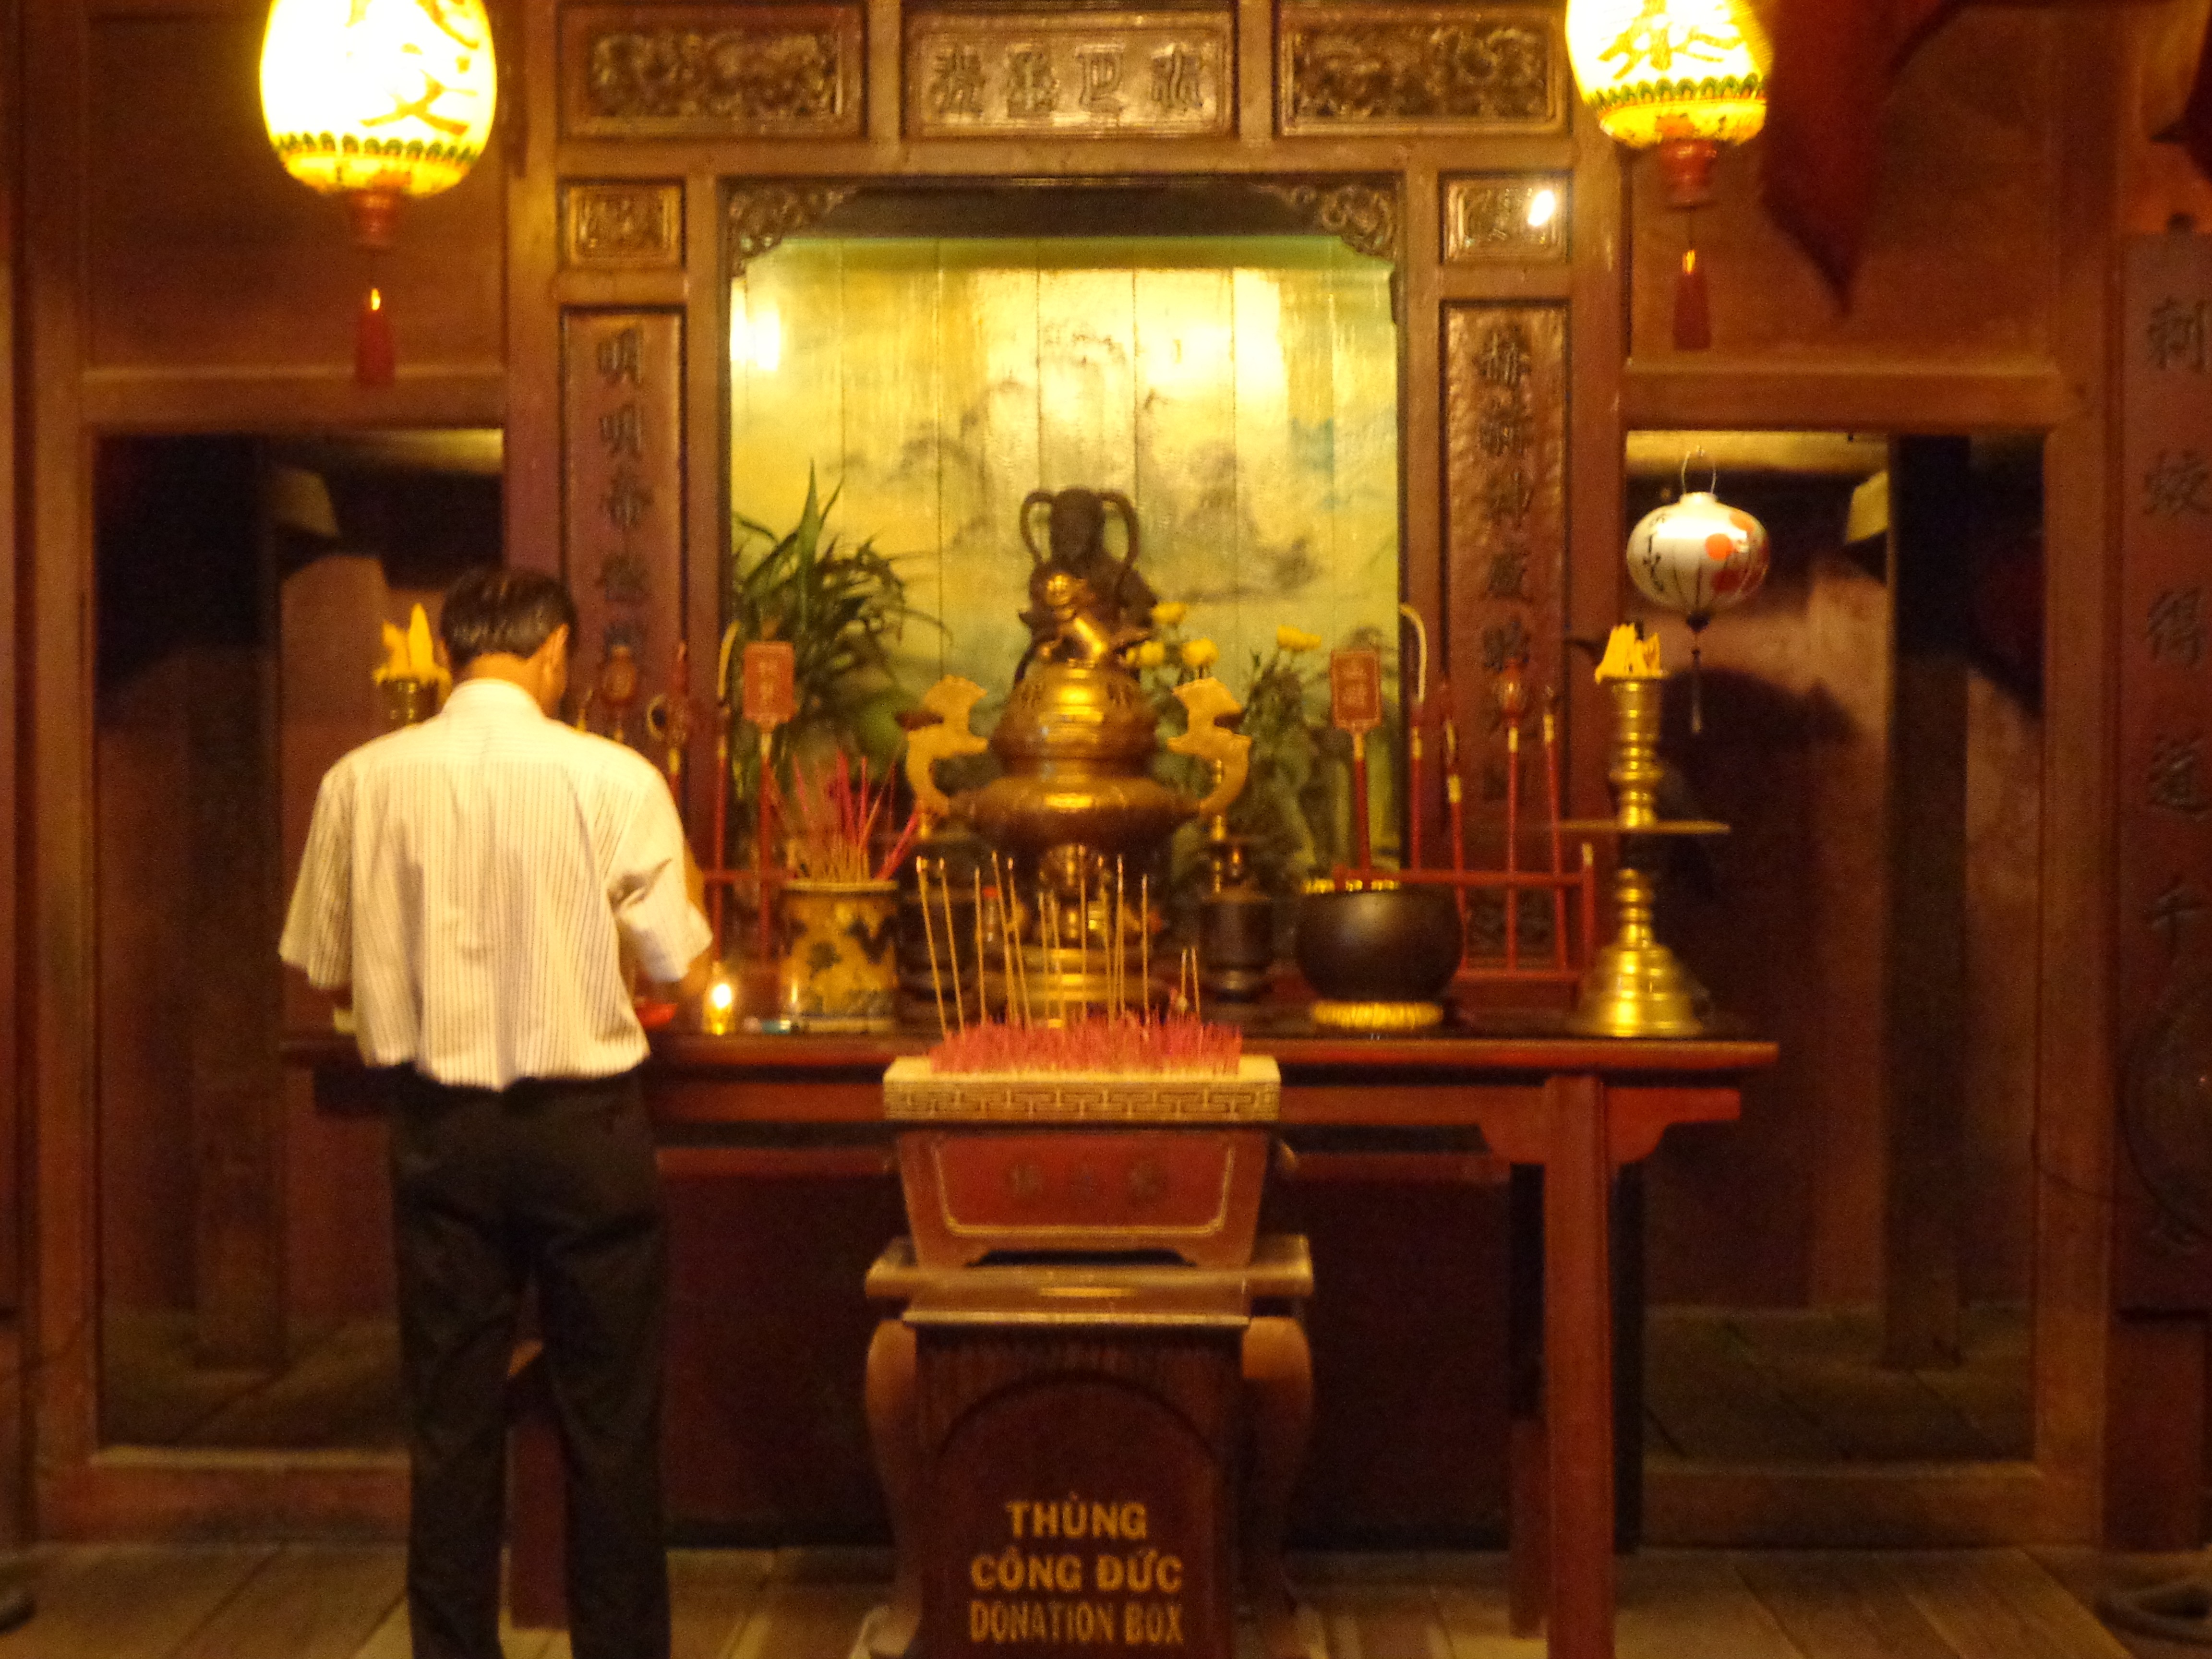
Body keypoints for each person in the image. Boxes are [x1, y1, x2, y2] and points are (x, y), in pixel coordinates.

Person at [280, 568, 711, 1659]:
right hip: (587, 1133)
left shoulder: (360, 781)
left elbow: (323, 966)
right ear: (557, 654)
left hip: (439, 1132)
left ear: (457, 653)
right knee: (610, 1432)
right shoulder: (613, 779)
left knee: (452, 1431)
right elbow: (675, 958)